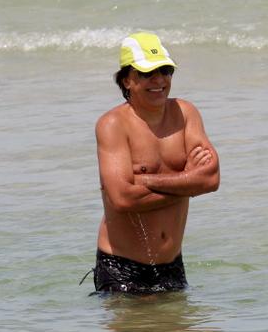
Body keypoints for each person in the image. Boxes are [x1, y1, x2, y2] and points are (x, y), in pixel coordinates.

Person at [89, 32, 219, 293]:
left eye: (165, 71)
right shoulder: (113, 125)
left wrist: (146, 181)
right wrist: (187, 183)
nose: (159, 80)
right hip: (122, 268)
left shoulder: (185, 113)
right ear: (127, 79)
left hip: (172, 265)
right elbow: (123, 199)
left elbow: (211, 180)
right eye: (147, 73)